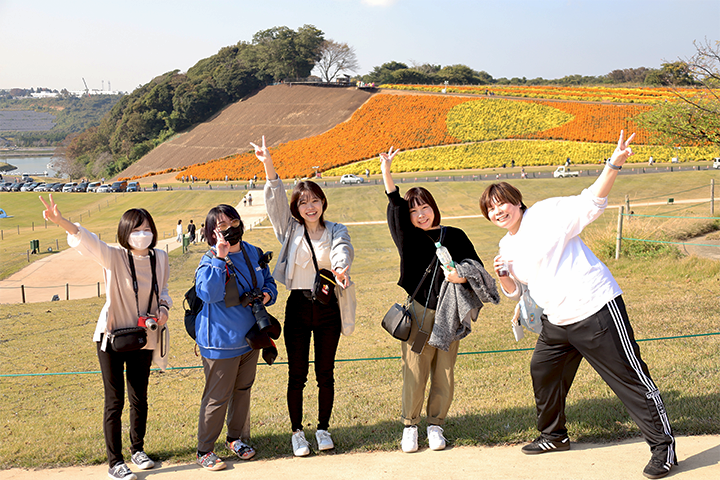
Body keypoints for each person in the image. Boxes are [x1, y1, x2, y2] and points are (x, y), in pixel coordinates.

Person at [479, 131, 676, 479]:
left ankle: (664, 449)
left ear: (516, 200)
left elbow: (591, 202)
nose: (498, 211)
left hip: (594, 308)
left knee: (629, 379)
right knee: (543, 370)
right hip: (557, 321)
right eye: (491, 208)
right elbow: (516, 291)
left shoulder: (546, 214)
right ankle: (553, 436)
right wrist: (503, 276)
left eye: (502, 203)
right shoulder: (505, 244)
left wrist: (614, 163)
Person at [39, 194, 171, 480]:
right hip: (112, 337)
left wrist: (163, 310)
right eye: (136, 230)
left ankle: (138, 449)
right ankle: (115, 462)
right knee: (115, 401)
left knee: (140, 398)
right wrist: (61, 221)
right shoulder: (113, 256)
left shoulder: (160, 257)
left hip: (143, 338)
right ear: (125, 233)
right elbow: (86, 239)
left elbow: (165, 292)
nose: (142, 234)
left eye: (147, 228)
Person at [380, 147, 496, 454]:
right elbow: (394, 202)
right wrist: (387, 170)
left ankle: (435, 425)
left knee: (444, 370)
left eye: (425, 207)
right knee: (415, 370)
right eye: (414, 210)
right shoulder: (408, 236)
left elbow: (477, 269)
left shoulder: (453, 234)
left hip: (450, 313)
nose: (421, 214)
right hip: (419, 314)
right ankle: (410, 426)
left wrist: (461, 274)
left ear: (434, 207)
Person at [252, 135, 356, 457]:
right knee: (296, 373)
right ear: (297, 208)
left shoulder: (336, 229)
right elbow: (276, 200)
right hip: (297, 307)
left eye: (314, 200)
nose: (309, 207)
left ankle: (323, 428)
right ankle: (297, 431)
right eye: (303, 202)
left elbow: (343, 249)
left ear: (323, 202)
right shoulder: (290, 230)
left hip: (328, 309)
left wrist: (341, 267)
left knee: (326, 372)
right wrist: (268, 163)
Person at [194, 204, 278, 471]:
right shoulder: (209, 260)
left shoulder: (252, 251)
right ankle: (204, 450)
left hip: (250, 338)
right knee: (217, 397)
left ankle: (235, 439)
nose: (230, 228)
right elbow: (208, 294)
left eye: (233, 221)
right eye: (221, 226)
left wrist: (267, 295)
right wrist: (220, 258)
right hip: (219, 341)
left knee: (242, 391)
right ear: (211, 233)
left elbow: (269, 282)